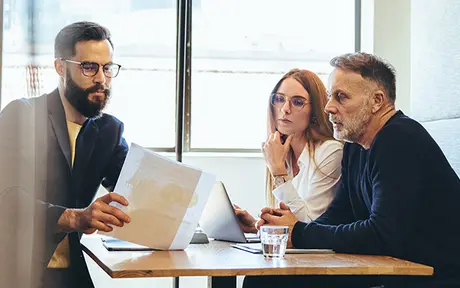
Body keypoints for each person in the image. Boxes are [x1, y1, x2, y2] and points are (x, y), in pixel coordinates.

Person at [244, 52, 460, 287]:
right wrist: (288, 229)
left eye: (341, 97)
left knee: (268, 283)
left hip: (434, 277)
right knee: (264, 279)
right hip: (394, 269)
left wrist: (299, 233)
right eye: (329, 97)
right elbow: (338, 215)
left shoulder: (399, 138)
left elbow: (381, 234)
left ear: (377, 101)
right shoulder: (355, 147)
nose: (328, 107)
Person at [0, 22, 132, 288]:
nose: (101, 79)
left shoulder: (109, 130)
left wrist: (212, 213)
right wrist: (76, 217)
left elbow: (138, 188)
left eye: (107, 68)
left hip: (70, 274)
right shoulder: (22, 116)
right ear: (61, 67)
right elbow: (7, 199)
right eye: (89, 67)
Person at [234, 69, 343, 233]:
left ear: (314, 111)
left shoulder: (330, 152)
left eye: (298, 102)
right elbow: (288, 226)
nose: (285, 109)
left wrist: (278, 172)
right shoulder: (282, 151)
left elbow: (307, 227)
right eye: (279, 99)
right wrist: (255, 226)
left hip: (322, 257)